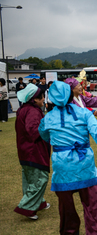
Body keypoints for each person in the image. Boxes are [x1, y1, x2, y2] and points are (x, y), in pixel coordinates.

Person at [38, 80, 97, 235]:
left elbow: (43, 135)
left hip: (62, 166)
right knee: (92, 204)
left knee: (66, 206)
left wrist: (58, 141)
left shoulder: (47, 118)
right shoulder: (84, 113)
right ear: (71, 94)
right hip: (85, 164)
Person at [14, 83, 51, 220]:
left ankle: (39, 202)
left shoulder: (23, 109)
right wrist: (49, 129)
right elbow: (34, 131)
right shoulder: (33, 111)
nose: (43, 100)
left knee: (30, 179)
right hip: (33, 151)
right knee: (40, 178)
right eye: (42, 98)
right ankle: (27, 206)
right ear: (35, 99)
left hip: (24, 150)